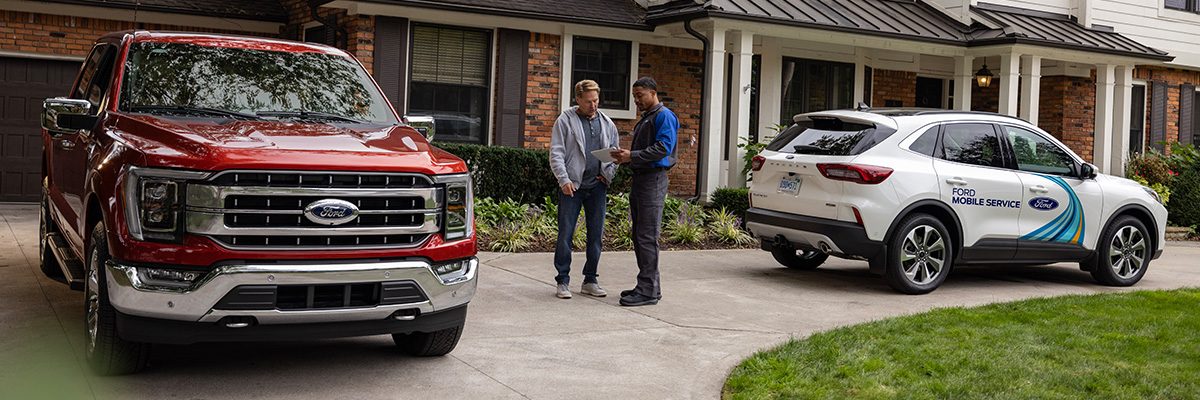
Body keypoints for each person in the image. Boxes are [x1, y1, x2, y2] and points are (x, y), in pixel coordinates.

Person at [609, 77, 678, 307]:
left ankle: (648, 291)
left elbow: (663, 148)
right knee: (640, 237)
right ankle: (648, 286)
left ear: (653, 93)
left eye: (640, 95)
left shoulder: (663, 116)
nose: (636, 100)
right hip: (641, 180)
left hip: (653, 181)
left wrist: (632, 156)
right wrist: (625, 157)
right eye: (634, 96)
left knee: (647, 237)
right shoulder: (647, 118)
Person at [548, 79, 619, 299]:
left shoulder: (607, 123)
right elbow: (556, 153)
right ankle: (563, 281)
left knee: (596, 236)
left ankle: (590, 280)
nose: (593, 105)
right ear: (578, 99)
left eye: (596, 100)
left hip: (597, 187)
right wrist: (564, 180)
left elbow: (615, 154)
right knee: (566, 234)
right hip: (572, 187)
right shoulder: (565, 121)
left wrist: (606, 176)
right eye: (588, 101)